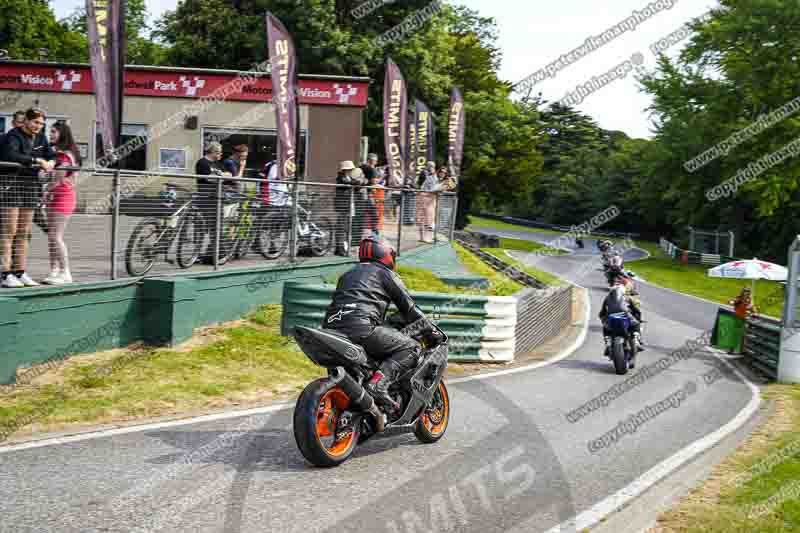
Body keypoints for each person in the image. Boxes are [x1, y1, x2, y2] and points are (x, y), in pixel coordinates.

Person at [323, 236, 442, 408]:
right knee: (412, 347)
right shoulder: (385, 274)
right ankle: (379, 384)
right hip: (362, 329)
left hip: (332, 330)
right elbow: (409, 309)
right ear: (386, 254)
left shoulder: (347, 275)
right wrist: (430, 332)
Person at [0, 108, 56, 288]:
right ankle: (5, 273)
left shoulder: (41, 138)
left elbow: (51, 155)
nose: (38, 127)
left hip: (31, 185)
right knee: (10, 230)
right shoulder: (13, 135)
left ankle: (20, 272)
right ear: (26, 121)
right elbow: (12, 155)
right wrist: (38, 161)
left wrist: (51, 162)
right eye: (35, 122)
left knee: (24, 231)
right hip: (12, 184)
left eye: (41, 124)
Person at [42, 121, 80, 285]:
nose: (51, 135)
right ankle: (54, 270)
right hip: (54, 197)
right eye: (50, 132)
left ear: (62, 134)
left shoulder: (65, 155)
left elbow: (57, 179)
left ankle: (65, 272)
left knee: (55, 237)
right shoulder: (58, 154)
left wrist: (45, 186)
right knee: (52, 237)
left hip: (63, 198)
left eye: (54, 132)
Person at [195, 142, 233, 264]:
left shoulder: (217, 164)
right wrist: (221, 176)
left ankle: (213, 255)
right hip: (207, 199)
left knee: (217, 227)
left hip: (217, 199)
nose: (221, 155)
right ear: (214, 152)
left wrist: (221, 175)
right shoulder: (203, 163)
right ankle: (218, 255)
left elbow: (230, 175)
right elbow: (208, 178)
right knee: (212, 228)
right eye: (220, 152)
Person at [599, 274, 644, 356]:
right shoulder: (627, 298)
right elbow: (636, 310)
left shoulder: (607, 298)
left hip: (611, 317)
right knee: (636, 324)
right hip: (625, 315)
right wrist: (639, 318)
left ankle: (608, 344)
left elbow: (602, 312)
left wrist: (603, 319)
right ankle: (637, 341)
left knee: (605, 328)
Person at [334, 160, 366, 256]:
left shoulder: (348, 177)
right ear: (345, 169)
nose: (350, 170)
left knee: (347, 227)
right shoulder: (341, 177)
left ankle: (343, 248)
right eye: (349, 169)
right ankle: (340, 249)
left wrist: (361, 182)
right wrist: (357, 182)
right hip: (343, 206)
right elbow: (349, 183)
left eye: (351, 169)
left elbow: (356, 186)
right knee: (341, 227)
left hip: (349, 205)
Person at [416, 161, 440, 243]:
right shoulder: (425, 175)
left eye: (432, 166)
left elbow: (435, 189)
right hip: (423, 200)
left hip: (430, 202)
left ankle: (428, 237)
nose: (430, 168)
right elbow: (420, 186)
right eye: (429, 166)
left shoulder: (435, 178)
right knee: (421, 219)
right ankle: (422, 237)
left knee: (429, 220)